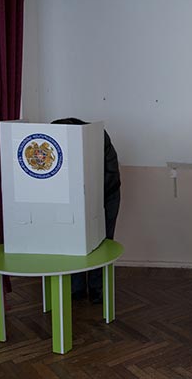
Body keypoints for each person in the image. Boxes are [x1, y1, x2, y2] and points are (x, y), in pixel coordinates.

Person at [51, 118, 121, 304]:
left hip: (107, 196)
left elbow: (111, 175)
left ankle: (98, 289)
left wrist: (88, 197)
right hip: (74, 200)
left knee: (101, 242)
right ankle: (77, 288)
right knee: (72, 243)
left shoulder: (98, 137)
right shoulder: (56, 138)